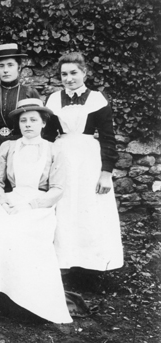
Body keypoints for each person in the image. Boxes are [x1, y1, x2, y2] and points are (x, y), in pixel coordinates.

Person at [0, 98, 72, 324]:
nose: (28, 124)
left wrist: (31, 205)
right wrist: (2, 200)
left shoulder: (53, 149)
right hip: (11, 200)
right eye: (23, 121)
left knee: (22, 233)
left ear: (43, 123)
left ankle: (30, 303)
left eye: (33, 120)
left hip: (39, 204)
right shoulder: (8, 146)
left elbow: (58, 188)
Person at [45, 52, 123, 272]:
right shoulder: (53, 99)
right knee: (64, 206)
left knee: (89, 207)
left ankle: (93, 265)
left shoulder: (97, 99)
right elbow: (49, 135)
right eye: (64, 74)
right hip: (62, 157)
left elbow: (108, 138)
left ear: (84, 73)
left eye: (73, 73)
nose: (69, 78)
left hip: (88, 160)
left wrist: (106, 172)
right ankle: (65, 264)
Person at [0, 43, 40, 206]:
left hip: (21, 144)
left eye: (10, 65)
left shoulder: (29, 92)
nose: (5, 70)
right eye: (1, 66)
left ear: (19, 68)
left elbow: (36, 123)